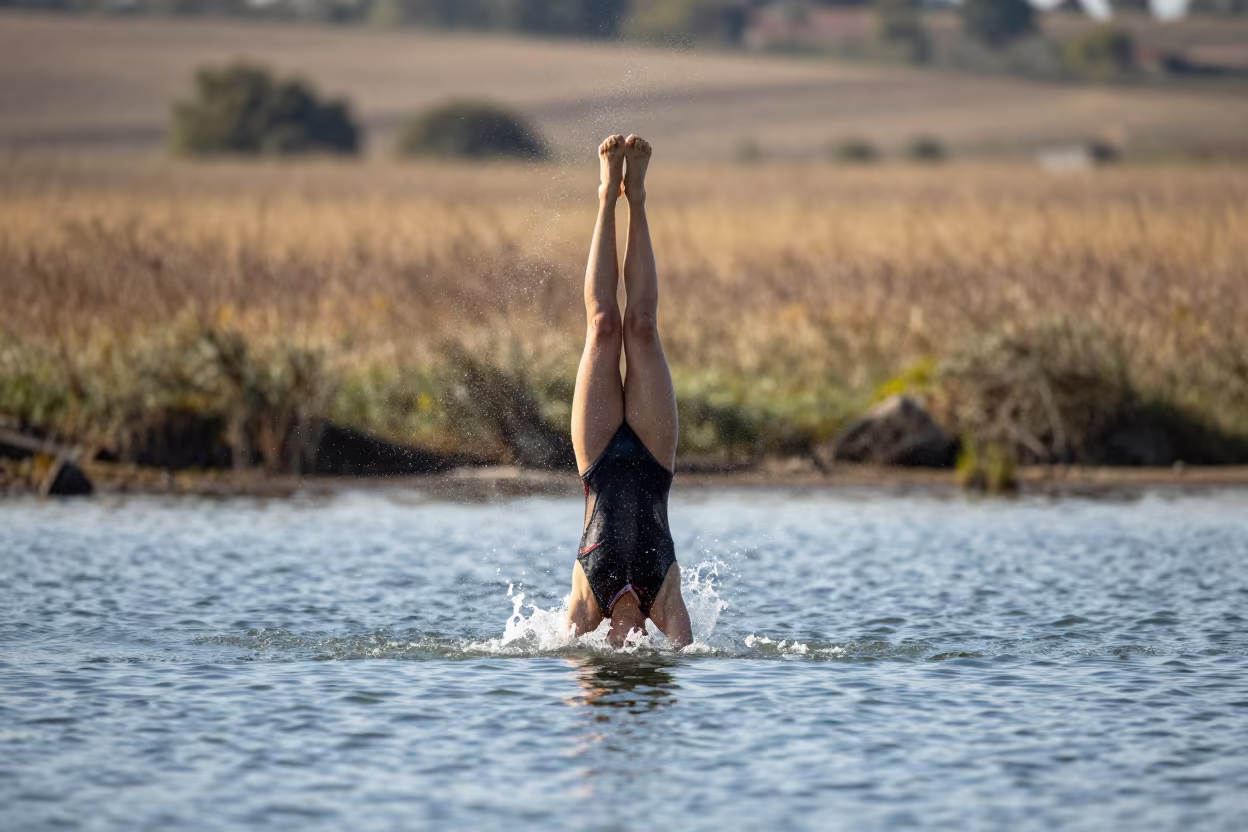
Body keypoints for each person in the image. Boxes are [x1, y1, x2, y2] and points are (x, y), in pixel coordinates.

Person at [566, 134, 693, 649]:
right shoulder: (663, 599)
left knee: (605, 326)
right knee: (640, 326)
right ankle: (633, 197)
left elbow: (560, 661)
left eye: (615, 646)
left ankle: (606, 196)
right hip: (653, 454)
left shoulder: (585, 604)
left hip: (597, 459)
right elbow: (693, 655)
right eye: (633, 646)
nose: (626, 641)